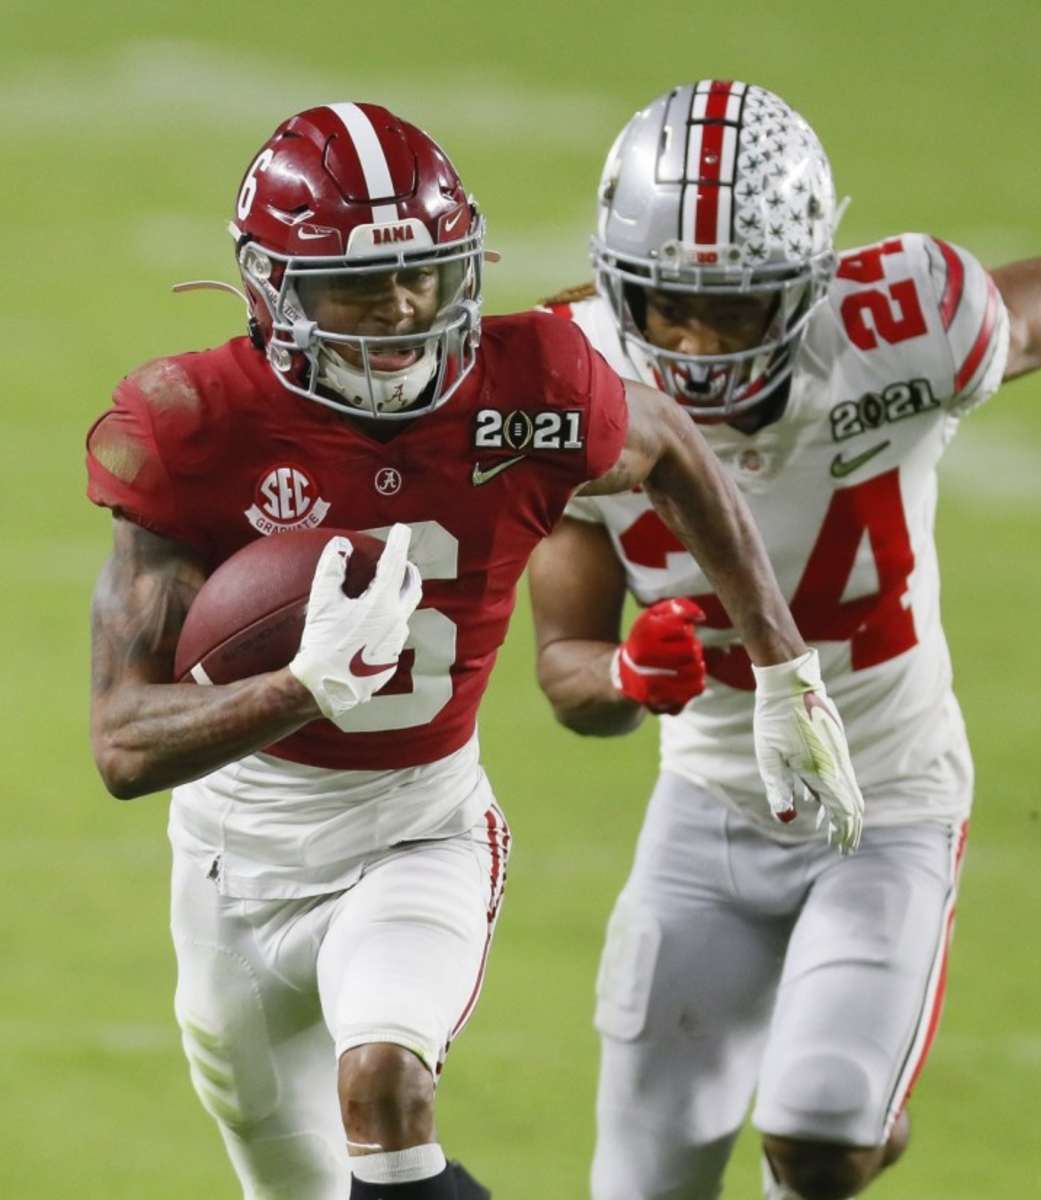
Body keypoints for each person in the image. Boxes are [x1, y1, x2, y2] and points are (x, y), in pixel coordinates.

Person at [85, 101, 865, 1200]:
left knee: (387, 1086)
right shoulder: (191, 424)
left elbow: (672, 447)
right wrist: (299, 686)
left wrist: (786, 670)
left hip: (418, 829)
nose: (403, 306)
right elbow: (123, 745)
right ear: (274, 290)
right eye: (359, 283)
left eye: (424, 271)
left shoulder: (532, 386)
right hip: (232, 858)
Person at [529, 80, 1041, 1200]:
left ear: (807, 283)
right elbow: (564, 671)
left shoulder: (906, 327)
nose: (695, 345)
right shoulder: (573, 383)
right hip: (709, 806)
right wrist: (627, 675)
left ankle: (856, 1102)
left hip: (887, 797)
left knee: (822, 1134)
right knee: (644, 1183)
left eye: (736, 309)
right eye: (667, 306)